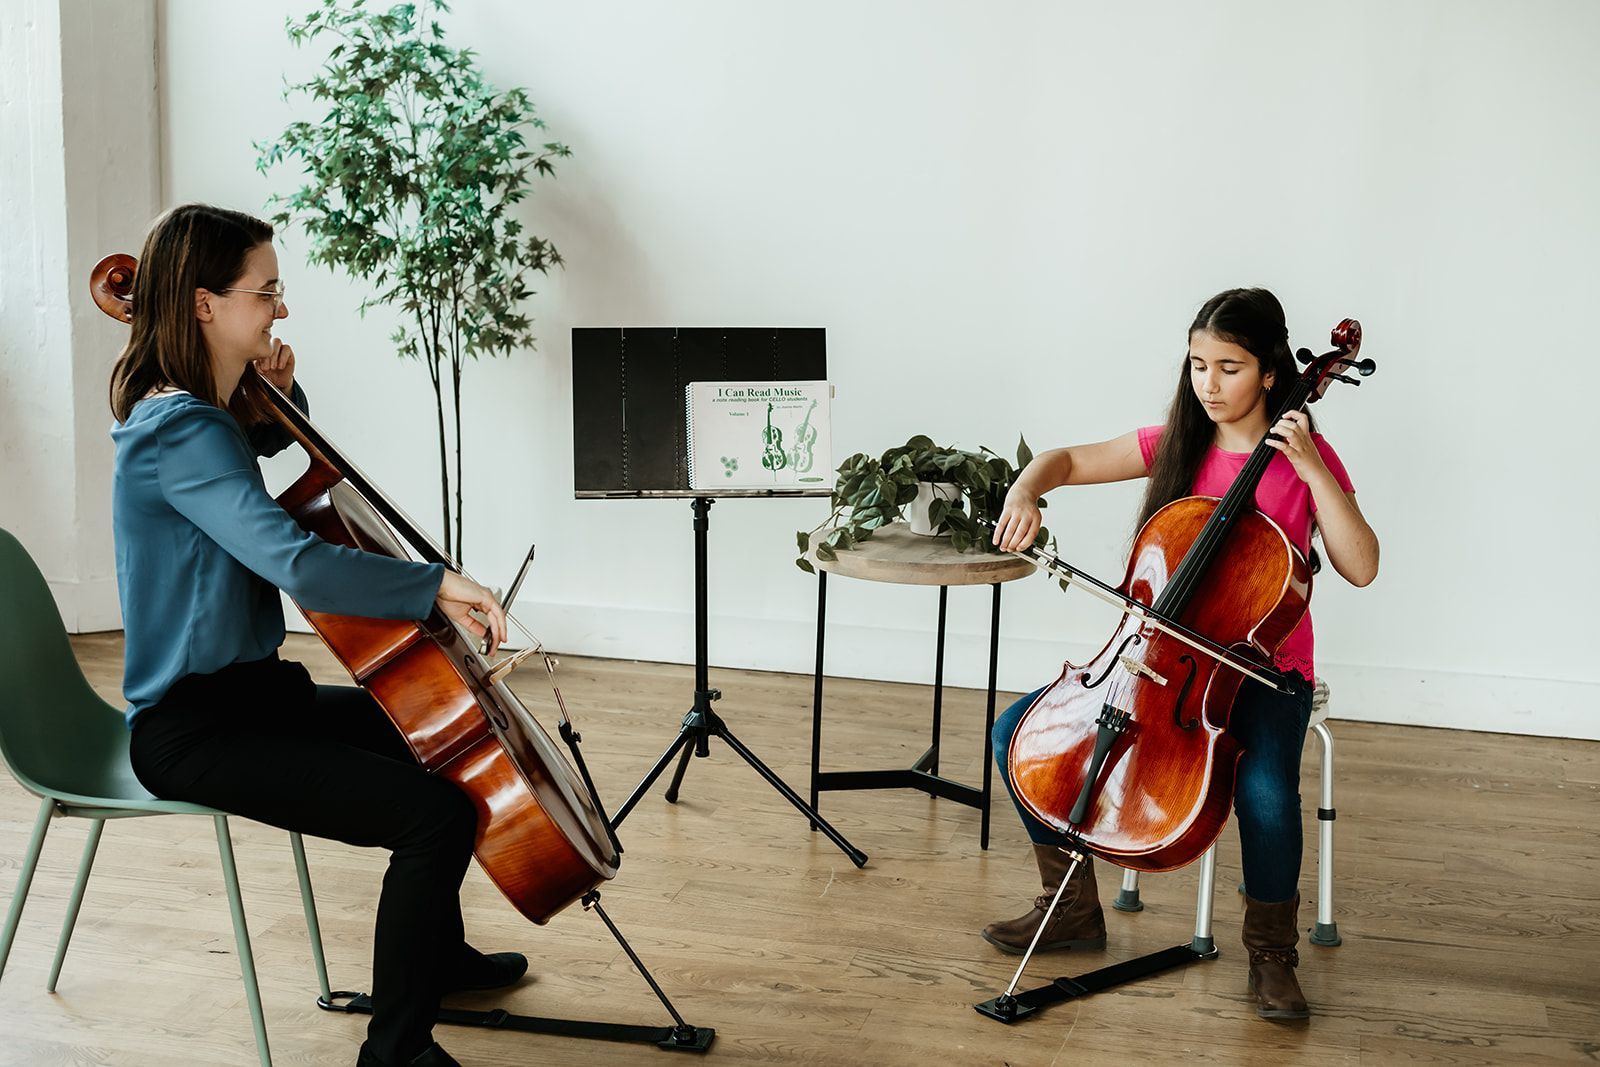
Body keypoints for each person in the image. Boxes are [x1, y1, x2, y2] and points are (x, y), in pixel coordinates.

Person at [109, 203, 518, 1067]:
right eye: (265, 292)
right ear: (203, 304)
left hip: (254, 697)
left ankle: (434, 958)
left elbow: (242, 465)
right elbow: (297, 560)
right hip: (195, 728)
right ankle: (396, 1051)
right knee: (433, 815)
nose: (280, 310)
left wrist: (279, 401)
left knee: (435, 741)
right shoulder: (178, 428)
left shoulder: (203, 416)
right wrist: (436, 582)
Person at [984, 287, 1379, 1020]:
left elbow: (1361, 565)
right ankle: (1069, 906)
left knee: (1264, 792)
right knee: (1015, 732)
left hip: (1265, 671)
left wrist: (1316, 469)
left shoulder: (1307, 458)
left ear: (1270, 374)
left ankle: (1270, 953)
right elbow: (1063, 459)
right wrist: (1026, 489)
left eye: (1228, 367)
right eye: (1198, 364)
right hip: (1158, 658)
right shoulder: (1180, 441)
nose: (1209, 384)